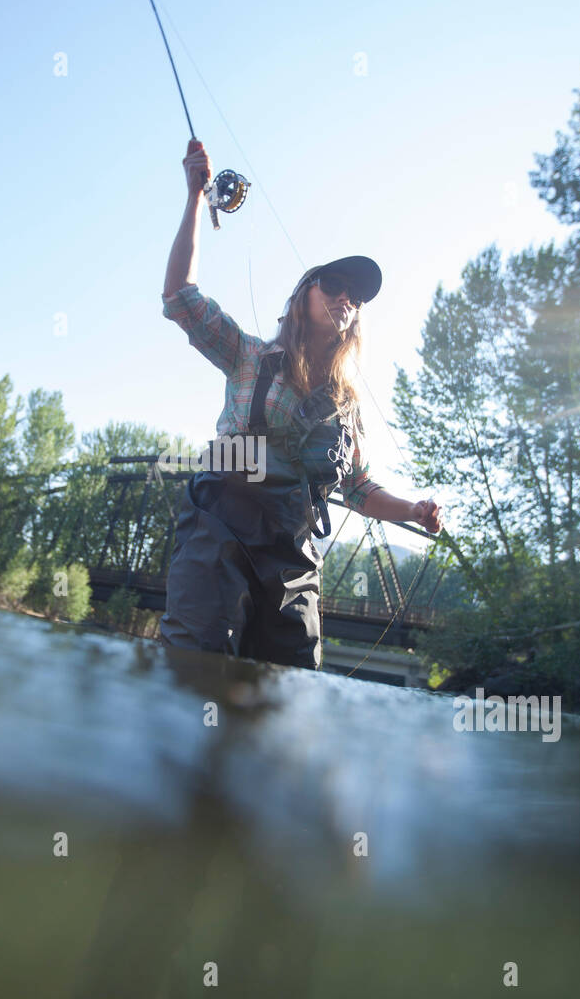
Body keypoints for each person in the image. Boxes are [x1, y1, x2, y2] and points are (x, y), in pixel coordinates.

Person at [159, 138, 443, 670]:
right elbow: (179, 296)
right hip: (219, 522)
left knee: (288, 692)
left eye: (354, 298)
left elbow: (358, 488)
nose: (345, 299)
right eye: (333, 285)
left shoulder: (346, 407)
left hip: (293, 556)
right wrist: (196, 198)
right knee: (194, 665)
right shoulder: (248, 355)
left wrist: (413, 510)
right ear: (302, 297)